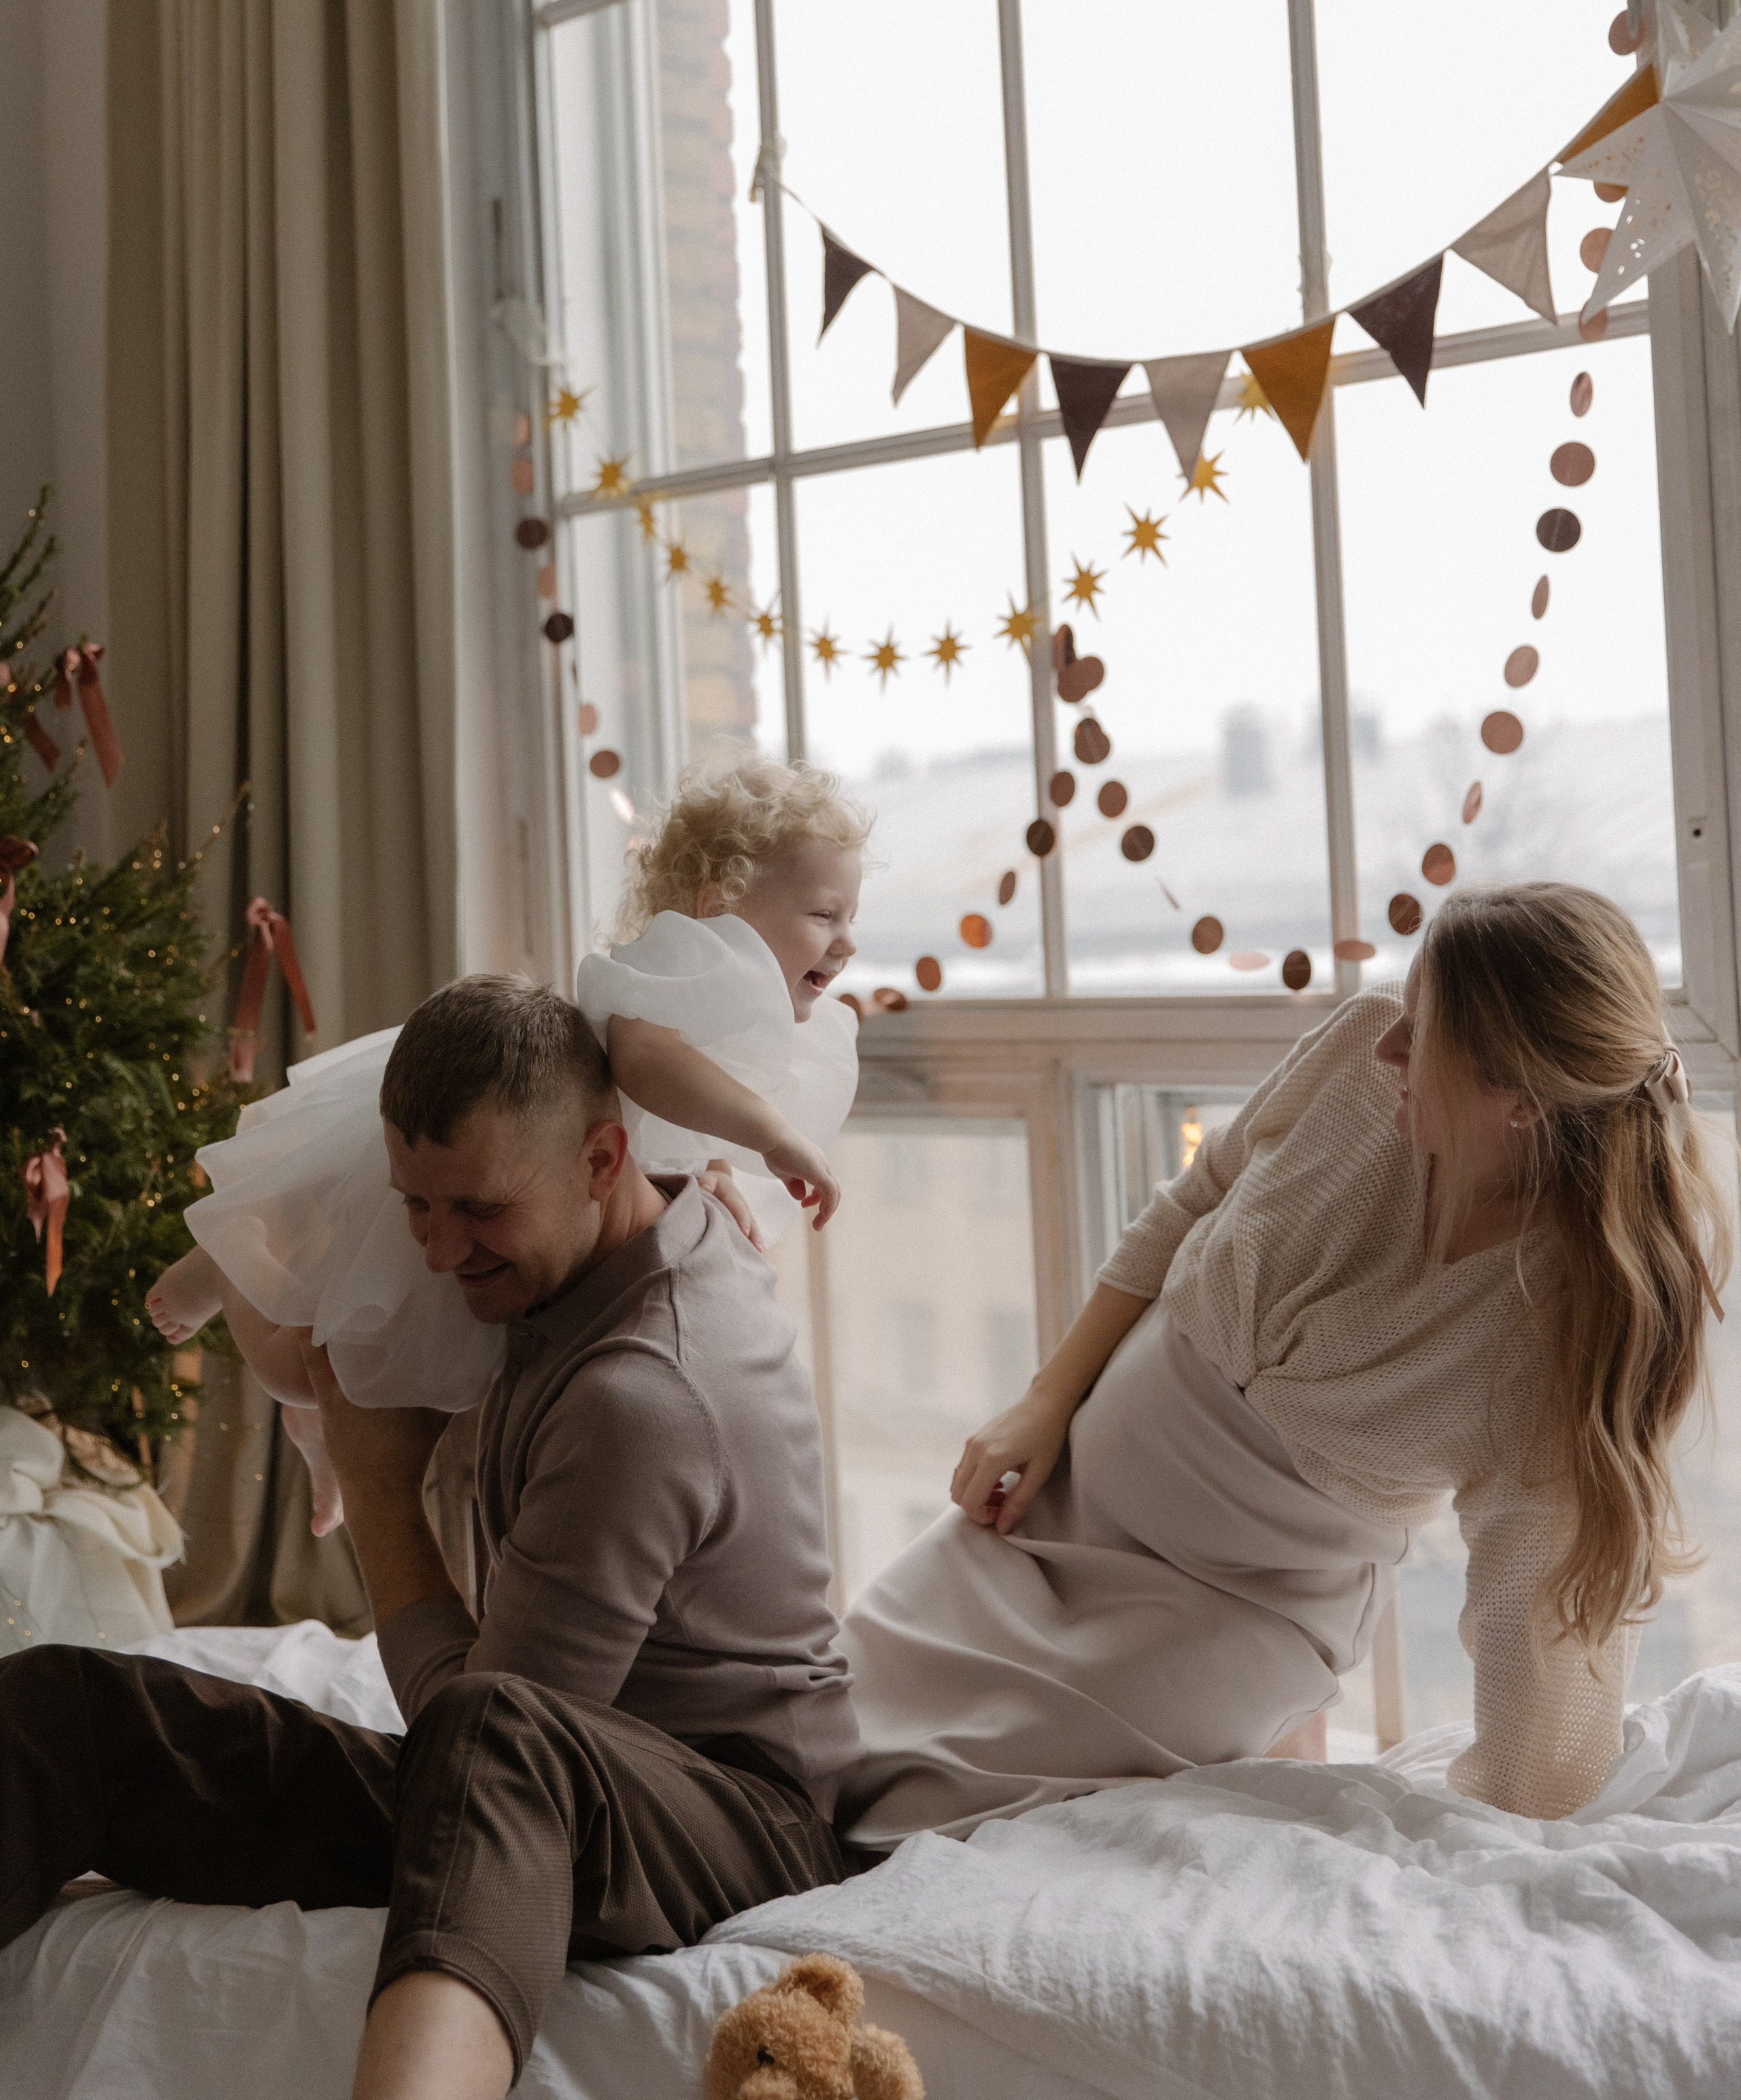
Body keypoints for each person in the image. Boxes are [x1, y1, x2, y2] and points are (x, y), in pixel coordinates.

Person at [0, 975, 858, 2100]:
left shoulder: (640, 1399)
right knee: (66, 1713)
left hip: (736, 1818)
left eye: (482, 1213)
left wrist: (380, 1490)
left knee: (495, 1727)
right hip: (556, 1782)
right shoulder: (613, 1223)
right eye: (418, 1205)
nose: (441, 1253)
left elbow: (477, 1730)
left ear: (603, 1160)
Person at [839, 882, 1732, 1845]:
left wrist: (1490, 1827)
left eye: (1423, 1034)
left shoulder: (1555, 1329)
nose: (1389, 1039)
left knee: (918, 1819)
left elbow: (1539, 1639)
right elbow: (1194, 1199)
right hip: (1059, 1503)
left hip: (1220, 1614)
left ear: (1518, 1098)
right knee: (830, 1716)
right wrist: (1046, 1399)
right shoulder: (1363, 1051)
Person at [145, 759, 869, 1527]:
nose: (847, 943)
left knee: (377, 1385)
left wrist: (715, 1170)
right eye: (825, 916)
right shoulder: (684, 959)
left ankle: (322, 1443)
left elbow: (678, 1120)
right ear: (717, 904)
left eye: (851, 917)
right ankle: (229, 1260)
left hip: (543, 1205)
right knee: (309, 1371)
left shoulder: (735, 1013)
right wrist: (773, 1137)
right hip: (503, 1164)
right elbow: (649, 1067)